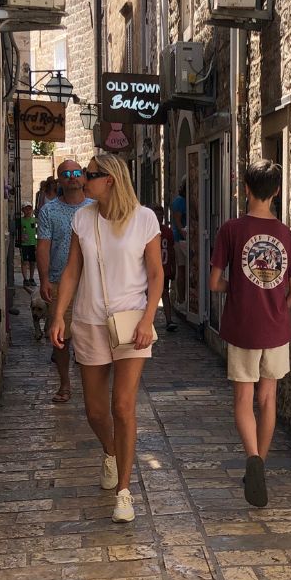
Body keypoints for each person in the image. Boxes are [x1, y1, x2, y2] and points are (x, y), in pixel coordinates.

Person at [49, 154, 163, 523]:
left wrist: (149, 318)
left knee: (123, 406)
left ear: (110, 179)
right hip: (89, 320)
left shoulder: (144, 219)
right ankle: (111, 451)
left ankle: (125, 492)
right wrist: (58, 315)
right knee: (95, 411)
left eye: (89, 176)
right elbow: (71, 271)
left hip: (131, 322)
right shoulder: (83, 218)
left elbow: (157, 274)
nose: (82, 181)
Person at [209, 159, 291, 508]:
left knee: (243, 400)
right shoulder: (285, 234)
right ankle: (260, 462)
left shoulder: (231, 230)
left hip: (242, 327)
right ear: (276, 191)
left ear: (245, 189)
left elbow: (214, 281)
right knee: (269, 399)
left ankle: (252, 459)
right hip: (276, 328)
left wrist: (238, 290)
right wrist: (275, 307)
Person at [37, 160, 93, 403]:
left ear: (83, 176)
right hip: (61, 281)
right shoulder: (49, 211)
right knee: (61, 337)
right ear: (59, 180)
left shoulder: (96, 207)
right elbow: (43, 246)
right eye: (66, 174)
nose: (72, 177)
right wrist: (44, 279)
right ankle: (65, 383)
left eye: (76, 172)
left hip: (92, 282)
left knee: (93, 335)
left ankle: (93, 383)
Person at [152, 205, 178, 332]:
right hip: (151, 270)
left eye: (161, 215)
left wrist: (174, 268)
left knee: (165, 293)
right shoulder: (148, 231)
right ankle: (149, 321)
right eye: (157, 215)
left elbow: (172, 251)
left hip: (164, 268)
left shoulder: (167, 232)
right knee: (149, 295)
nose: (159, 217)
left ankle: (168, 320)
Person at [171, 176, 188, 304]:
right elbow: (177, 222)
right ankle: (181, 299)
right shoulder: (179, 201)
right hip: (180, 240)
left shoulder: (186, 200)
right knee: (181, 269)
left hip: (185, 238)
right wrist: (185, 234)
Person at [16, 203, 38, 287]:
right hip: (24, 244)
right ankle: (25, 279)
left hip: (33, 243)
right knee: (24, 261)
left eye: (30, 209)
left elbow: (38, 231)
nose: (28, 211)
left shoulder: (35, 220)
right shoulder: (20, 221)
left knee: (32, 262)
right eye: (26, 209)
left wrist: (37, 243)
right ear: (23, 210)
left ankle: (31, 278)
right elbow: (18, 231)